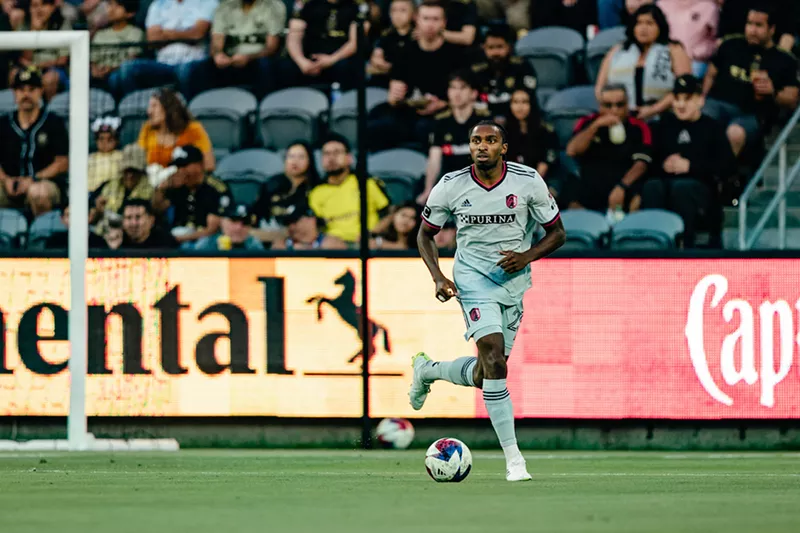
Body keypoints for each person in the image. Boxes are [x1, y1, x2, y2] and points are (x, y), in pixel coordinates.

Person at [412, 120, 566, 482]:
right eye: (476, 141)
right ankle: (514, 460)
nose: (482, 146)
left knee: (488, 374)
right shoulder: (451, 186)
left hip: (513, 282)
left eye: (490, 140)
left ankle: (428, 370)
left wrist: (526, 256)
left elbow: (558, 233)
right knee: (495, 360)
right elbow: (425, 234)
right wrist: (438, 276)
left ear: (503, 148)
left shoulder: (527, 181)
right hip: (472, 280)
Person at [644, 74, 735, 247]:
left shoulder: (712, 128)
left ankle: (687, 246)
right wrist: (663, 165)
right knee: (652, 186)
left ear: (700, 101)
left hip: (701, 192)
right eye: (677, 99)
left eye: (687, 99)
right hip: (665, 186)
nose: (681, 104)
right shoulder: (663, 126)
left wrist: (690, 166)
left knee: (682, 188)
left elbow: (727, 168)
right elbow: (649, 161)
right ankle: (651, 246)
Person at [703, 6, 799, 160]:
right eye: (749, 24)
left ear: (772, 29)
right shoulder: (730, 45)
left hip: (752, 115)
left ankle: (722, 178)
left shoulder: (784, 59)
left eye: (759, 25)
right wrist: (702, 97)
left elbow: (792, 100)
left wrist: (773, 92)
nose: (752, 30)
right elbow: (710, 75)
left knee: (734, 133)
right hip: (717, 104)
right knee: (702, 119)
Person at [595, 3, 692, 121]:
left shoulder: (674, 50)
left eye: (649, 23)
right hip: (622, 119)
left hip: (664, 118)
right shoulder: (617, 50)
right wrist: (614, 110)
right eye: (639, 23)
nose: (643, 28)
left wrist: (654, 109)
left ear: (660, 26)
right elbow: (600, 88)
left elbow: (685, 87)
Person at [566, 84, 653, 214]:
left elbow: (641, 164)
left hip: (623, 181)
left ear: (627, 105)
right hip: (591, 181)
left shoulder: (638, 127)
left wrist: (622, 186)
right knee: (569, 187)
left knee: (643, 192)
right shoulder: (587, 123)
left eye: (620, 105)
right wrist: (595, 126)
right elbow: (572, 150)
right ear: (600, 106)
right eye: (608, 105)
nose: (614, 110)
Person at [0, 67, 68, 214]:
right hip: (9, 185)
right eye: (21, 89)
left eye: (32, 89)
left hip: (44, 183)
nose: (26, 94)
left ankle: (40, 235)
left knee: (38, 192)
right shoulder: (3, 123)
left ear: (41, 91)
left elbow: (62, 162)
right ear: (14, 93)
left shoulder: (53, 122)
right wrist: (5, 180)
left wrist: (34, 179)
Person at [116, 0, 217, 98]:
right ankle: (138, 109)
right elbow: (153, 40)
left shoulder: (207, 2)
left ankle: (185, 112)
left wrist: (166, 33)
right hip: (163, 64)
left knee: (184, 70)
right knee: (128, 67)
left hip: (194, 62)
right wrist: (185, 34)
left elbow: (197, 35)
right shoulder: (158, 4)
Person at [418, 70, 491, 204]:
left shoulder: (485, 122)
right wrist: (429, 189)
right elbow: (434, 159)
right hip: (450, 186)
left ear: (473, 93)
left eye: (462, 88)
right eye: (453, 88)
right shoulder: (440, 123)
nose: (457, 93)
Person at [308, 134, 391, 244]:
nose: (331, 158)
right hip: (332, 246)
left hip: (367, 244)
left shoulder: (366, 183)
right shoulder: (315, 193)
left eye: (337, 153)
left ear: (349, 158)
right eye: (326, 154)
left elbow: (390, 214)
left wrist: (372, 234)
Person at [152, 144, 232, 245]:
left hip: (205, 240)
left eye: (184, 166)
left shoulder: (215, 188)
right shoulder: (177, 186)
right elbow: (157, 209)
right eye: (178, 167)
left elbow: (212, 230)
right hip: (178, 234)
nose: (180, 171)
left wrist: (179, 239)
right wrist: (162, 189)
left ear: (199, 165)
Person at [206, 0, 285, 98]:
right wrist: (218, 54)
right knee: (203, 67)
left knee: (265, 65)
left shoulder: (273, 6)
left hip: (258, 58)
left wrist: (249, 57)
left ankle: (263, 106)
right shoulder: (225, 6)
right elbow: (216, 41)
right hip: (230, 58)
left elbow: (272, 47)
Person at [279, 0, 359, 91]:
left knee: (347, 67)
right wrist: (302, 61)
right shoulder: (306, 3)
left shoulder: (355, 5)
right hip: (308, 57)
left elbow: (354, 43)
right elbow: (294, 37)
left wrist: (331, 60)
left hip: (339, 58)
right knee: (285, 67)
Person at [470, 24, 539, 120]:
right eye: (490, 48)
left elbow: (526, 100)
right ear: (484, 49)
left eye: (500, 47)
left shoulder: (522, 67)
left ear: (509, 47)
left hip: (516, 121)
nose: (495, 52)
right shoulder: (477, 71)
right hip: (485, 121)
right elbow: (476, 101)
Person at [137, 87, 215, 171]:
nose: (149, 111)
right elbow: (138, 163)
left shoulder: (193, 129)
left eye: (154, 106)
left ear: (168, 109)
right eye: (149, 106)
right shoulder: (147, 129)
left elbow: (209, 165)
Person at [89, 0, 143, 97]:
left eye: (118, 5)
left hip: (117, 74)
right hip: (98, 75)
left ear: (130, 13)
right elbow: (93, 60)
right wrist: (94, 70)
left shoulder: (135, 33)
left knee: (115, 78)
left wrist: (111, 69)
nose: (111, 9)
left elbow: (131, 60)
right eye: (110, 4)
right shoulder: (100, 34)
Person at [90, 143, 154, 223]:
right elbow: (91, 214)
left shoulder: (151, 193)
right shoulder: (108, 186)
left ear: (141, 172)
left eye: (134, 171)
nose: (130, 175)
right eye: (127, 171)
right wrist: (98, 210)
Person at [367, 0, 414, 86]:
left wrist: (392, 68)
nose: (397, 15)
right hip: (384, 82)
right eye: (393, 10)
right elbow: (376, 57)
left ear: (413, 13)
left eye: (403, 10)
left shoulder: (416, 36)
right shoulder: (386, 36)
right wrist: (378, 62)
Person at [194, 201, 265, 251]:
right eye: (234, 221)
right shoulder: (207, 245)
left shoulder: (254, 245)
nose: (238, 228)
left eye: (245, 222)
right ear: (222, 222)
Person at [272, 204, 347, 250]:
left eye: (294, 221)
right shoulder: (282, 245)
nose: (291, 226)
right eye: (288, 223)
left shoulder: (332, 244)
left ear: (311, 220)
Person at [87, 116, 124, 192]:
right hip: (90, 195)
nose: (105, 143)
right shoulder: (90, 158)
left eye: (110, 139)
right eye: (101, 139)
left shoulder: (121, 156)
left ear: (117, 140)